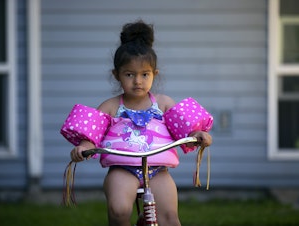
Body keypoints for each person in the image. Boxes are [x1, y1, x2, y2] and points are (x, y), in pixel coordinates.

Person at [69, 20, 212, 226]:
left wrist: (199, 134)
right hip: (121, 169)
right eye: (129, 74)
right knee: (118, 210)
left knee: (170, 218)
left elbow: (187, 131)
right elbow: (91, 138)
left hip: (157, 170)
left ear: (155, 75)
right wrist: (84, 147)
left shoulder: (163, 103)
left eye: (145, 74)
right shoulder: (110, 106)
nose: (138, 81)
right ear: (116, 75)